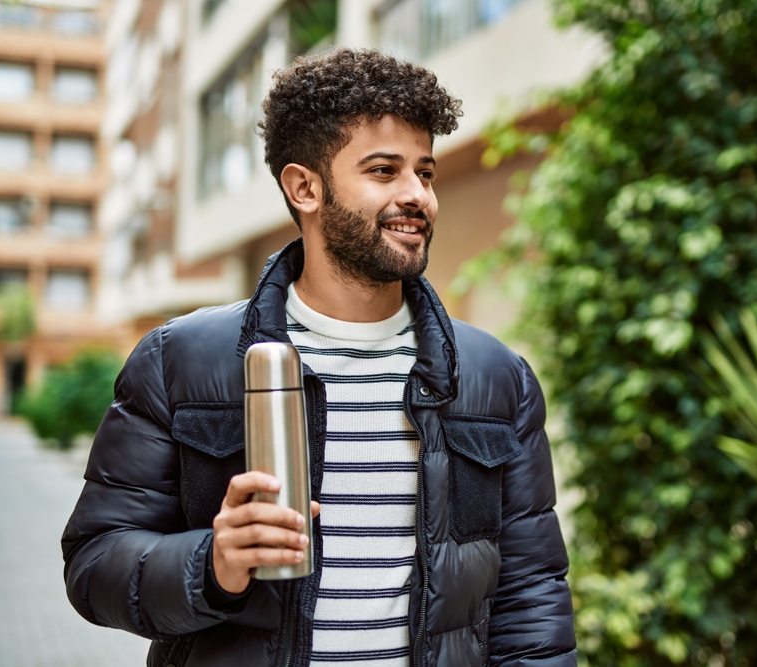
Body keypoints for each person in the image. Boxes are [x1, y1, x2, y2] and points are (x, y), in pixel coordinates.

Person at [62, 48, 575, 667]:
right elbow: (95, 563)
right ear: (305, 187)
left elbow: (531, 596)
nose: (418, 196)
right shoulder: (179, 362)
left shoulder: (497, 378)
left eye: (426, 172)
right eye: (384, 170)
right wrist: (212, 562)